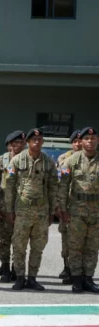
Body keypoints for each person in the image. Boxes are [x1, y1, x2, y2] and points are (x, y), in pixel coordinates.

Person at [4, 128, 58, 291]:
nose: (37, 142)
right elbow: (9, 186)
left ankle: (32, 278)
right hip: (22, 210)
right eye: (33, 139)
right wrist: (9, 210)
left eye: (40, 139)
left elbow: (53, 187)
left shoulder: (48, 162)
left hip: (41, 211)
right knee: (19, 245)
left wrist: (51, 211)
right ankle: (20, 277)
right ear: (27, 142)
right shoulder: (16, 161)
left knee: (38, 246)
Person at [58, 126, 99, 294]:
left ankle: (88, 279)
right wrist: (62, 208)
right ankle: (76, 280)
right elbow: (63, 186)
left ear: (97, 141)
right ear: (81, 141)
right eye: (87, 139)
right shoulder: (71, 161)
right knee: (75, 246)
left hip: (96, 211)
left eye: (93, 138)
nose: (90, 141)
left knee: (92, 247)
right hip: (76, 211)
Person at [0, 131, 26, 282]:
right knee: (3, 239)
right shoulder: (0, 161)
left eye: (21, 143)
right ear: (9, 145)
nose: (18, 146)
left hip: (22, 208)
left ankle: (16, 269)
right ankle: (5, 268)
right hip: (3, 208)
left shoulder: (28, 160)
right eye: (15, 143)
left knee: (20, 240)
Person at [56, 129, 82, 282]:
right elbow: (59, 183)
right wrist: (58, 205)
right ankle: (67, 267)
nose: (78, 143)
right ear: (72, 143)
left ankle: (80, 271)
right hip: (67, 204)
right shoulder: (63, 159)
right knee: (66, 238)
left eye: (80, 140)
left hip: (84, 206)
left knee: (83, 241)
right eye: (75, 141)